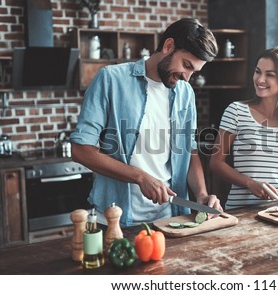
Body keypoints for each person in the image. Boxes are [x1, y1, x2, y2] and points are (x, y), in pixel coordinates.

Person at [70, 18, 223, 227]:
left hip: (170, 219)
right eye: (186, 65)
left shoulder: (185, 92)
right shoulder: (111, 79)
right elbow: (80, 150)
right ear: (168, 46)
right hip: (115, 220)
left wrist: (202, 195)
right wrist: (140, 177)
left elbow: (189, 150)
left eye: (194, 72)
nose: (187, 78)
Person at [209, 47, 278, 210]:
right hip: (241, 210)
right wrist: (250, 183)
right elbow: (216, 163)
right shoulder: (236, 111)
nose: (260, 79)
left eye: (270, 75)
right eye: (258, 72)